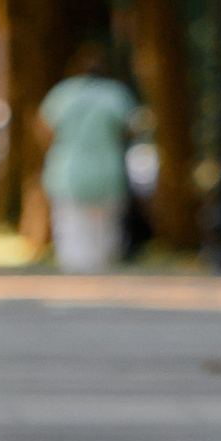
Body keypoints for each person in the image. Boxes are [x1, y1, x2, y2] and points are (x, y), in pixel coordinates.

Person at [37, 43, 144, 274]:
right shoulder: (115, 94)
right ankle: (101, 275)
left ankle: (76, 277)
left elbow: (44, 129)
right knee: (105, 230)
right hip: (106, 169)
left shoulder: (63, 93)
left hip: (68, 169)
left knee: (71, 227)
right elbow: (132, 128)